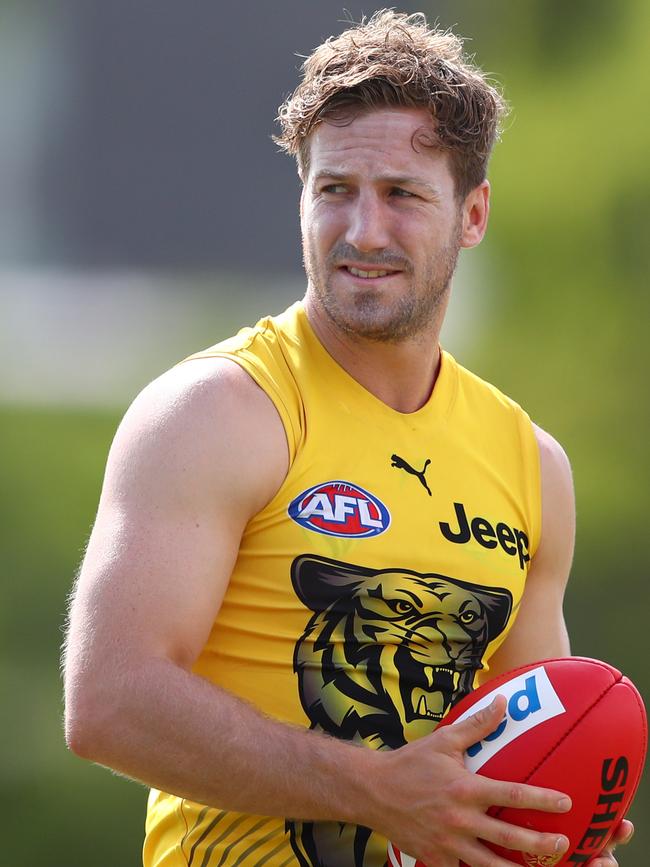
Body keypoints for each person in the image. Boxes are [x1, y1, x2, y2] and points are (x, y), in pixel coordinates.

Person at [63, 10, 633, 867]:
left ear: (473, 213)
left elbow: (529, 753)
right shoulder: (215, 411)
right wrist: (375, 790)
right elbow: (108, 702)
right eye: (335, 190)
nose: (364, 230)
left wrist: (558, 837)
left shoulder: (532, 463)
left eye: (402, 194)